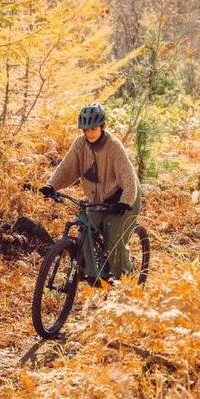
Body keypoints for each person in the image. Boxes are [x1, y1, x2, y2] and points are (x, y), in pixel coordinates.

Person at [40, 104, 142, 280]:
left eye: (93, 129)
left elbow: (127, 176)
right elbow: (67, 167)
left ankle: (131, 283)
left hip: (123, 198)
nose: (89, 133)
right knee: (85, 228)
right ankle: (92, 273)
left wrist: (125, 201)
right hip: (98, 200)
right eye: (85, 130)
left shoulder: (114, 146)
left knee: (113, 243)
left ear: (103, 126)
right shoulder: (80, 144)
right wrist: (52, 185)